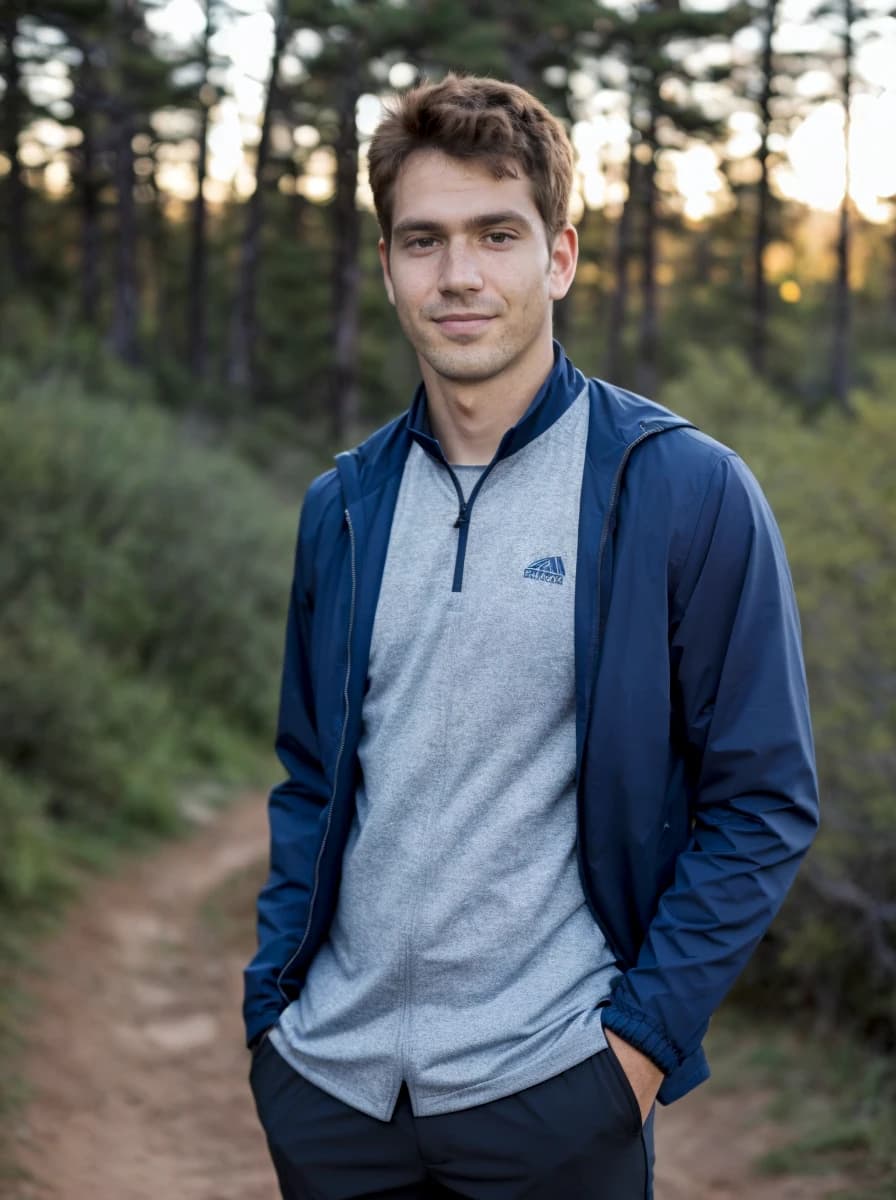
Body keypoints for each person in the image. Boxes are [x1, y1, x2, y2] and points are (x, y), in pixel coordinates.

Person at [243, 74, 819, 1200]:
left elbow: (762, 800)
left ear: (556, 257)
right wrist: (274, 1017)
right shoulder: (345, 506)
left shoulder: (680, 490)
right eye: (423, 240)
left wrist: (634, 1054)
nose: (457, 275)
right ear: (388, 268)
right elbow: (312, 780)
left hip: (555, 1093)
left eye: (493, 235)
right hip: (335, 1096)